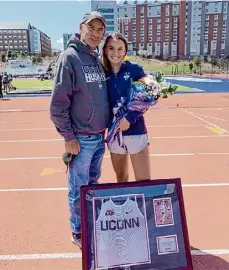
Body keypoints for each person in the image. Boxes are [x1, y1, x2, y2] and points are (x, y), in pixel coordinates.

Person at [50, 11, 110, 249]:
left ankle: (89, 222)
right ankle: (78, 230)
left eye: (100, 30)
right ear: (81, 27)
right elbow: (57, 105)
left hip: (99, 137)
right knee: (78, 188)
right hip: (81, 139)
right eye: (92, 28)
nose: (95, 34)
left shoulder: (95, 59)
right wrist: (68, 137)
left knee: (93, 184)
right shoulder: (69, 57)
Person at [102, 32, 151, 183]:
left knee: (143, 181)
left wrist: (129, 118)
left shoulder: (135, 70)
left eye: (119, 49)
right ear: (105, 50)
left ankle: (142, 207)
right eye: (111, 48)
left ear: (125, 51)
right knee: (121, 180)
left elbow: (148, 96)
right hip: (114, 135)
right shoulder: (101, 73)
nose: (115, 53)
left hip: (136, 132)